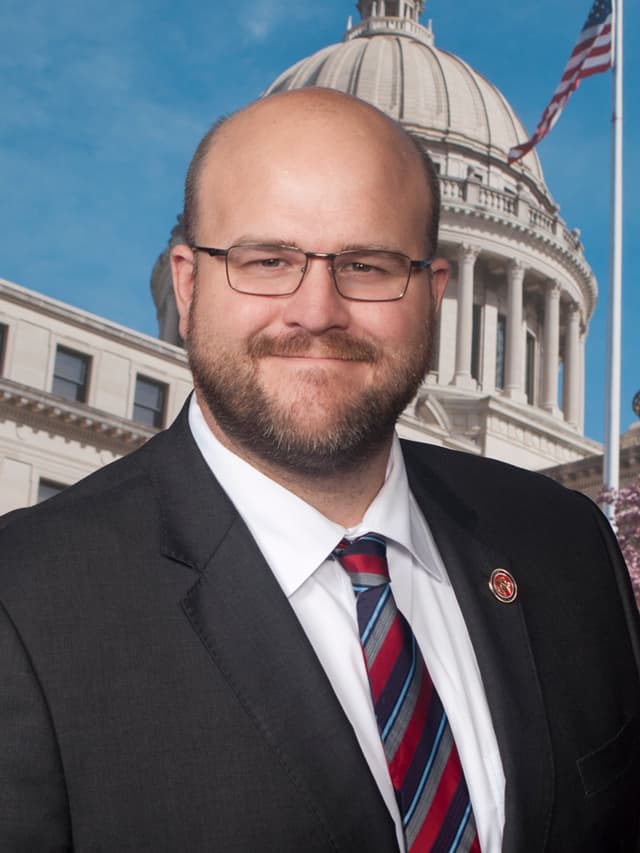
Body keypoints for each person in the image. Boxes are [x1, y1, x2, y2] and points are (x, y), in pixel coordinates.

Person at [1, 88, 639, 853]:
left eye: (366, 265)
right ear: (188, 282)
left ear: (435, 294)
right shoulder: (27, 601)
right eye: (267, 260)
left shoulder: (566, 546)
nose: (316, 311)